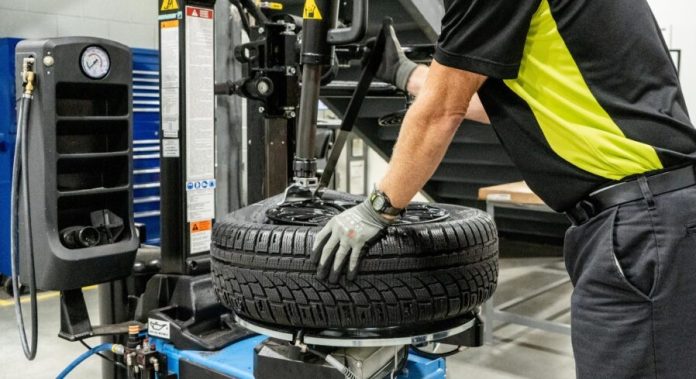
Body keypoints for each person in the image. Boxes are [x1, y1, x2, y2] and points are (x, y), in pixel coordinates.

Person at [311, 0, 696, 378]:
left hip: (640, 226)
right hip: (658, 215)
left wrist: (377, 208)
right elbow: (503, 101)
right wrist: (405, 73)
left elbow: (444, 109)